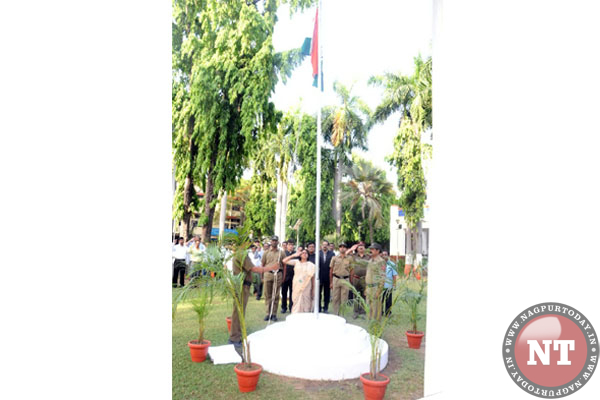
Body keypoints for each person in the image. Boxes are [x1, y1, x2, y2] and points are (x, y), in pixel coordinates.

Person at [229, 250, 281, 346]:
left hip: (242, 285)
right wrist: (271, 267)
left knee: (239, 312)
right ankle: (234, 337)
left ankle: (236, 335)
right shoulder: (241, 254)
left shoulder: (240, 254)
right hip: (242, 286)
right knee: (238, 312)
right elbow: (254, 269)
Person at [282, 248, 316, 313]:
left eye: (306, 253)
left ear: (308, 255)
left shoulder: (311, 265)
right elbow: (284, 261)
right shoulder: (296, 262)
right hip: (297, 285)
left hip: (307, 286)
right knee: (296, 302)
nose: (304, 254)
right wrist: (294, 255)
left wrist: (313, 289)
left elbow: (312, 278)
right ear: (300, 255)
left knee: (306, 302)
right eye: (302, 253)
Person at [262, 235, 286, 321]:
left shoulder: (281, 253)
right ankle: (268, 313)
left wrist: (283, 276)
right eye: (273, 241)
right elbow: (263, 264)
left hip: (278, 275)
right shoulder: (266, 252)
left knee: (275, 295)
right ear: (270, 242)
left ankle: (274, 314)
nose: (274, 242)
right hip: (268, 274)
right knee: (267, 295)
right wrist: (262, 276)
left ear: (278, 242)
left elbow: (284, 265)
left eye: (275, 241)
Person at [347, 241, 369, 318]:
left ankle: (362, 312)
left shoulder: (368, 257)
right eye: (359, 246)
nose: (361, 247)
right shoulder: (353, 256)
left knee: (364, 296)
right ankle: (356, 312)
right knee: (356, 295)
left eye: (362, 246)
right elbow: (345, 254)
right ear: (357, 248)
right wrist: (351, 248)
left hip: (364, 279)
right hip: (356, 278)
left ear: (365, 248)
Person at [365, 243, 387, 320]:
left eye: (373, 249)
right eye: (370, 249)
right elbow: (368, 275)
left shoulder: (381, 262)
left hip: (375, 288)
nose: (371, 251)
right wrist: (366, 287)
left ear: (378, 251)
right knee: (368, 308)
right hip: (369, 287)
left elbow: (383, 277)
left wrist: (379, 290)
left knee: (376, 309)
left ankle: (375, 328)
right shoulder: (370, 260)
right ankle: (370, 325)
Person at [329, 242, 351, 315]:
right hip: (336, 279)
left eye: (344, 247)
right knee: (335, 298)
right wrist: (331, 282)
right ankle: (336, 314)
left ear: (346, 249)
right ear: (339, 249)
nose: (342, 248)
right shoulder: (334, 258)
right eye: (341, 247)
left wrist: (350, 282)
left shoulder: (350, 258)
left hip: (345, 279)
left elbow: (352, 270)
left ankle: (342, 315)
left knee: (344, 299)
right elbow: (331, 270)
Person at [318, 240, 335, 313]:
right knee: (318, 293)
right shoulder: (318, 253)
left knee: (327, 293)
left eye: (326, 245)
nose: (324, 246)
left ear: (328, 246)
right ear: (321, 245)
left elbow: (333, 266)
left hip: (328, 276)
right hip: (319, 276)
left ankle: (325, 308)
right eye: (323, 244)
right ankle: (318, 308)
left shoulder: (332, 254)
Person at [281, 240, 297, 314]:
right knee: (284, 292)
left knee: (292, 293)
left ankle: (291, 307)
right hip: (285, 276)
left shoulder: (296, 254)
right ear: (286, 246)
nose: (291, 246)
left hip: (293, 276)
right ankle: (284, 307)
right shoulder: (283, 253)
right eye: (289, 245)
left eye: (292, 245)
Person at [381, 250, 398, 316]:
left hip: (388, 285)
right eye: (383, 254)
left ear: (388, 256)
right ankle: (380, 312)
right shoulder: (379, 264)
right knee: (380, 300)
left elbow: (394, 275)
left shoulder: (392, 264)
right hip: (380, 286)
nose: (384, 255)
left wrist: (394, 284)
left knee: (388, 300)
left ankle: (388, 313)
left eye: (386, 254)